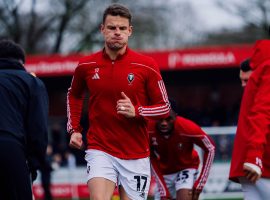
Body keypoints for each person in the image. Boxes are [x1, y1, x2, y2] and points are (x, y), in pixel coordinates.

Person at [67, 3, 170, 200]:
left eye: (122, 28)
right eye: (112, 27)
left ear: (130, 31)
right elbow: (74, 94)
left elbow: (165, 108)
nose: (117, 32)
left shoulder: (146, 65)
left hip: (136, 153)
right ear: (102, 29)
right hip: (100, 148)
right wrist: (75, 129)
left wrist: (137, 111)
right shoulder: (86, 65)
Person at [0, 39, 49, 199]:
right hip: (11, 149)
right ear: (21, 61)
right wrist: (35, 164)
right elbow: (38, 129)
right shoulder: (31, 82)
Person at [149, 101, 215, 200]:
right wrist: (163, 189)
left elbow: (210, 148)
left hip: (186, 168)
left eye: (168, 119)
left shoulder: (187, 128)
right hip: (164, 172)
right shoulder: (148, 129)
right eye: (160, 119)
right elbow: (150, 157)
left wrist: (200, 183)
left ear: (175, 116)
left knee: (184, 197)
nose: (164, 123)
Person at [229, 40, 270, 200]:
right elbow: (262, 112)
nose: (243, 85)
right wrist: (255, 156)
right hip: (263, 163)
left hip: (256, 162)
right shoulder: (267, 66)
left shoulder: (263, 65)